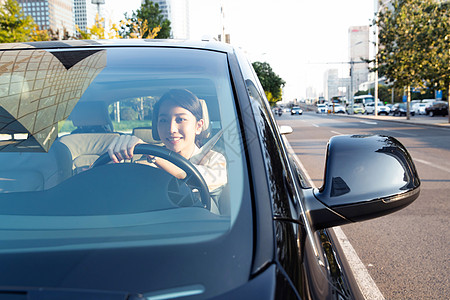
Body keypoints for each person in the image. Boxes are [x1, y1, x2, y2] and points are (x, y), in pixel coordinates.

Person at [107, 89, 227, 211]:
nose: (171, 129)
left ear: (198, 126)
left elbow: (196, 178)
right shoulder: (144, 163)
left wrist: (154, 156)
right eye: (163, 120)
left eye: (180, 119)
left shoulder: (215, 159)